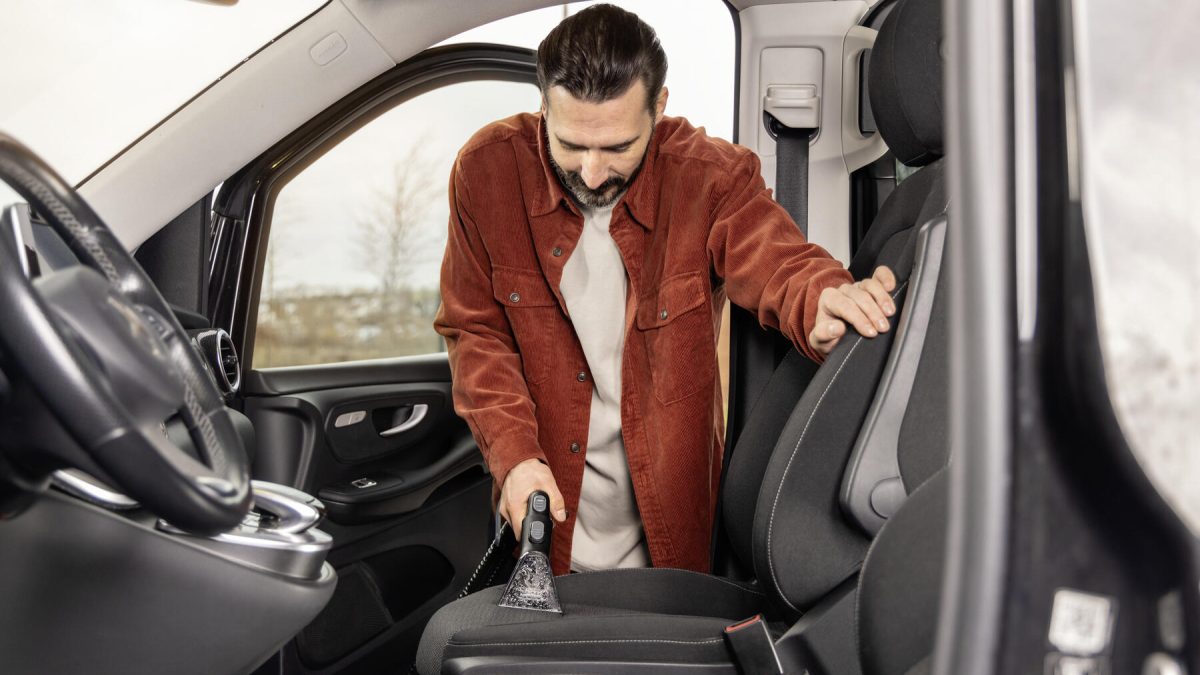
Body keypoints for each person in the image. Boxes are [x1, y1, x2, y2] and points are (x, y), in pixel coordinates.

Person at [434, 4, 896, 575]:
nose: (593, 174)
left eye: (617, 147)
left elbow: (779, 260)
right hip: (544, 534)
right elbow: (476, 332)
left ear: (659, 107)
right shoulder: (485, 172)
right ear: (543, 109)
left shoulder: (712, 177)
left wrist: (822, 301)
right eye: (571, 144)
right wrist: (514, 458)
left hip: (672, 540)